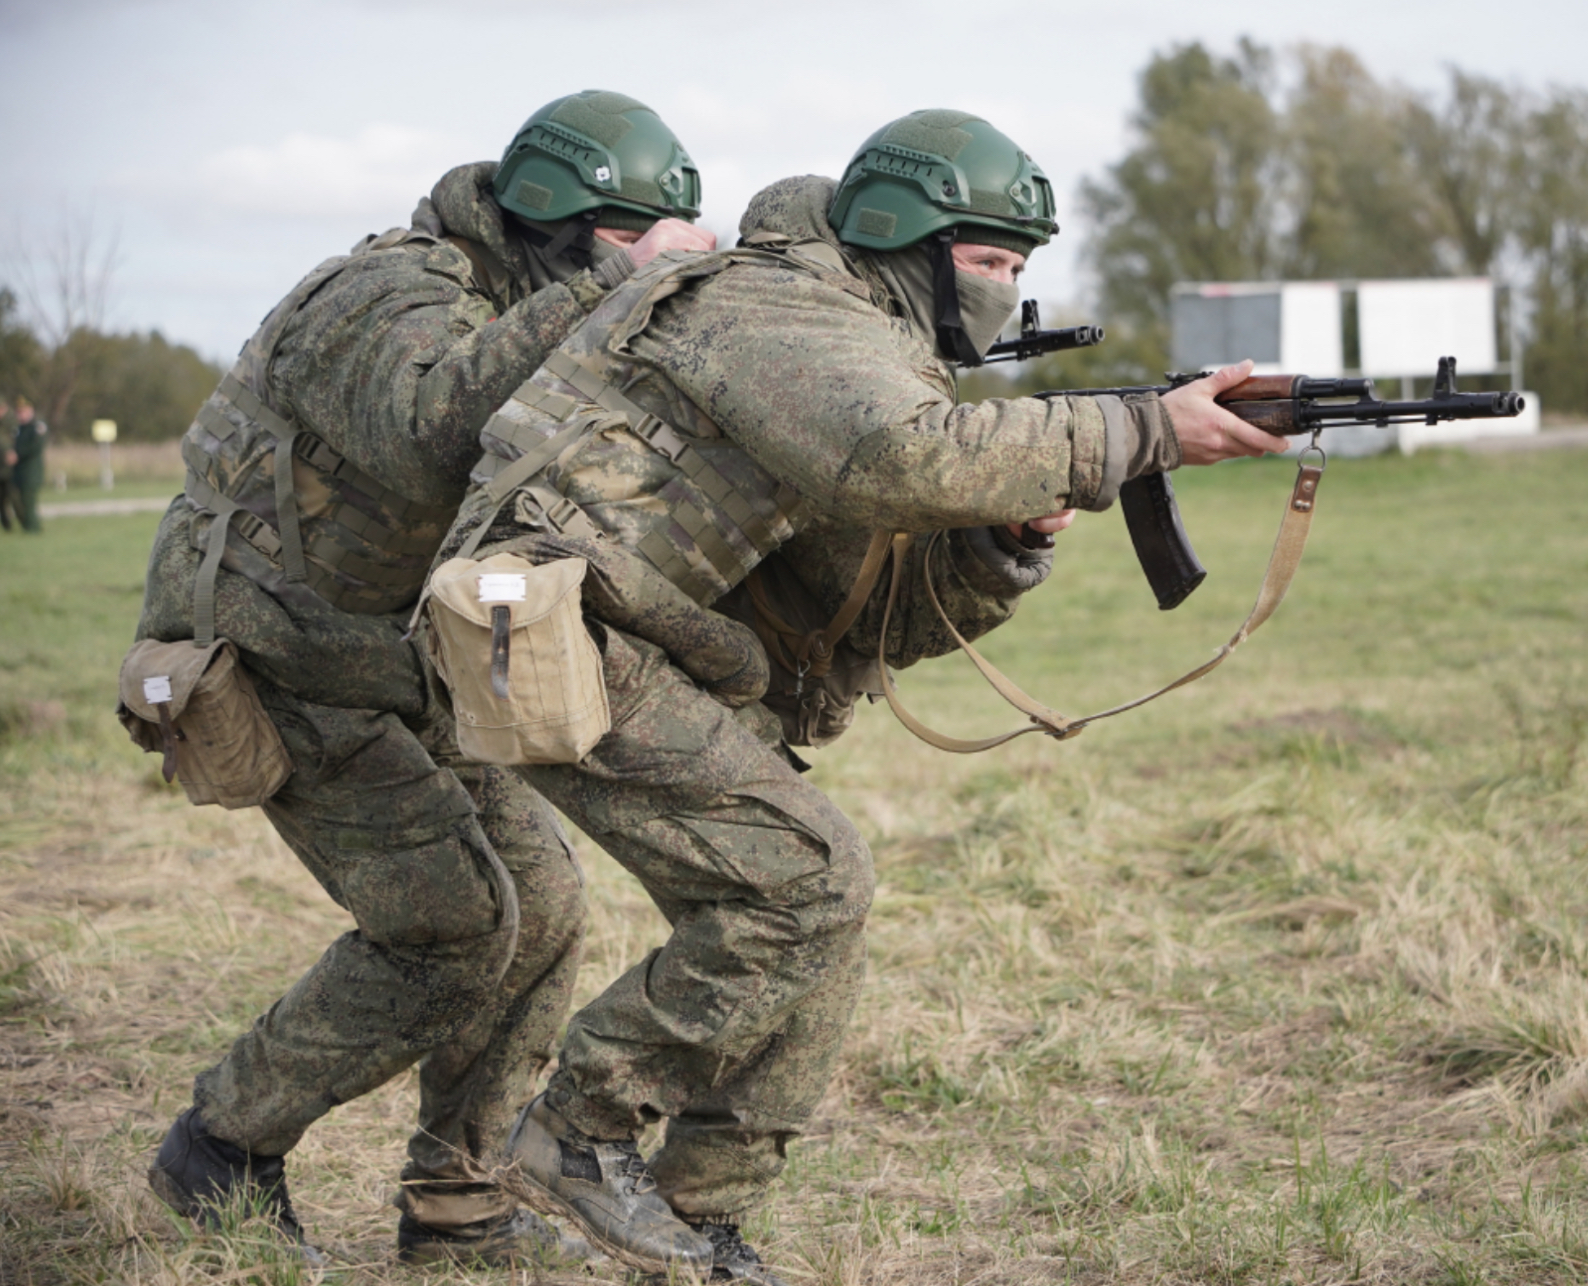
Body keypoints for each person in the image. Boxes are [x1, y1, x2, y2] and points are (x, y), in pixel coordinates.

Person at [421, 108, 1286, 1283]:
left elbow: (874, 616)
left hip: (628, 628)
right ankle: (577, 1130)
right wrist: (1138, 428)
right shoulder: (769, 306)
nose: (1003, 289)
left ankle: (697, 1209)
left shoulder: (849, 354)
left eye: (1019, 268)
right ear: (904, 235)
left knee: (818, 910)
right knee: (811, 876)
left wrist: (1002, 547)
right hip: (545, 619)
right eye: (988, 261)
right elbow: (900, 454)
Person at [132, 90, 716, 1268]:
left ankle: (460, 1202)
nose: (637, 259)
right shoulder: (386, 293)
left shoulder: (529, 305)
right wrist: (622, 283)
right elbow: (421, 426)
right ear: (556, 219)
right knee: (450, 923)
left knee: (542, 911)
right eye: (624, 236)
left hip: (395, 658)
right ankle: (221, 1147)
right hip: (270, 652)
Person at [10, 398, 47, 532]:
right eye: (19, 412)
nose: (21, 415)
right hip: (18, 471)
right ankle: (28, 526)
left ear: (31, 411)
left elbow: (36, 447)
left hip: (31, 471)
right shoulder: (18, 428)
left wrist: (16, 454)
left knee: (28, 501)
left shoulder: (37, 427)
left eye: (24, 412)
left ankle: (33, 529)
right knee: (18, 501)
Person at [0, 396, 17, 531]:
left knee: (13, 495)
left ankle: (25, 522)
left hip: (10, 468)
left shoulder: (11, 422)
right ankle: (6, 525)